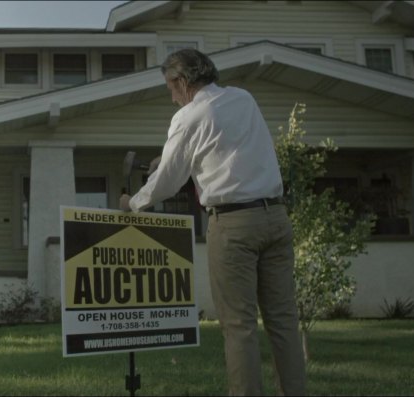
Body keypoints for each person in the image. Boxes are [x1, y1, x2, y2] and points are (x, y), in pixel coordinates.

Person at [120, 49, 306, 396]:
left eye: (170, 88)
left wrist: (132, 203)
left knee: (240, 328)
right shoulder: (243, 98)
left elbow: (168, 182)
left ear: (182, 81)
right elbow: (222, 147)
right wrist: (171, 158)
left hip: (234, 225)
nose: (172, 97)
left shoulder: (188, 117)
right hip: (276, 217)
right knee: (284, 323)